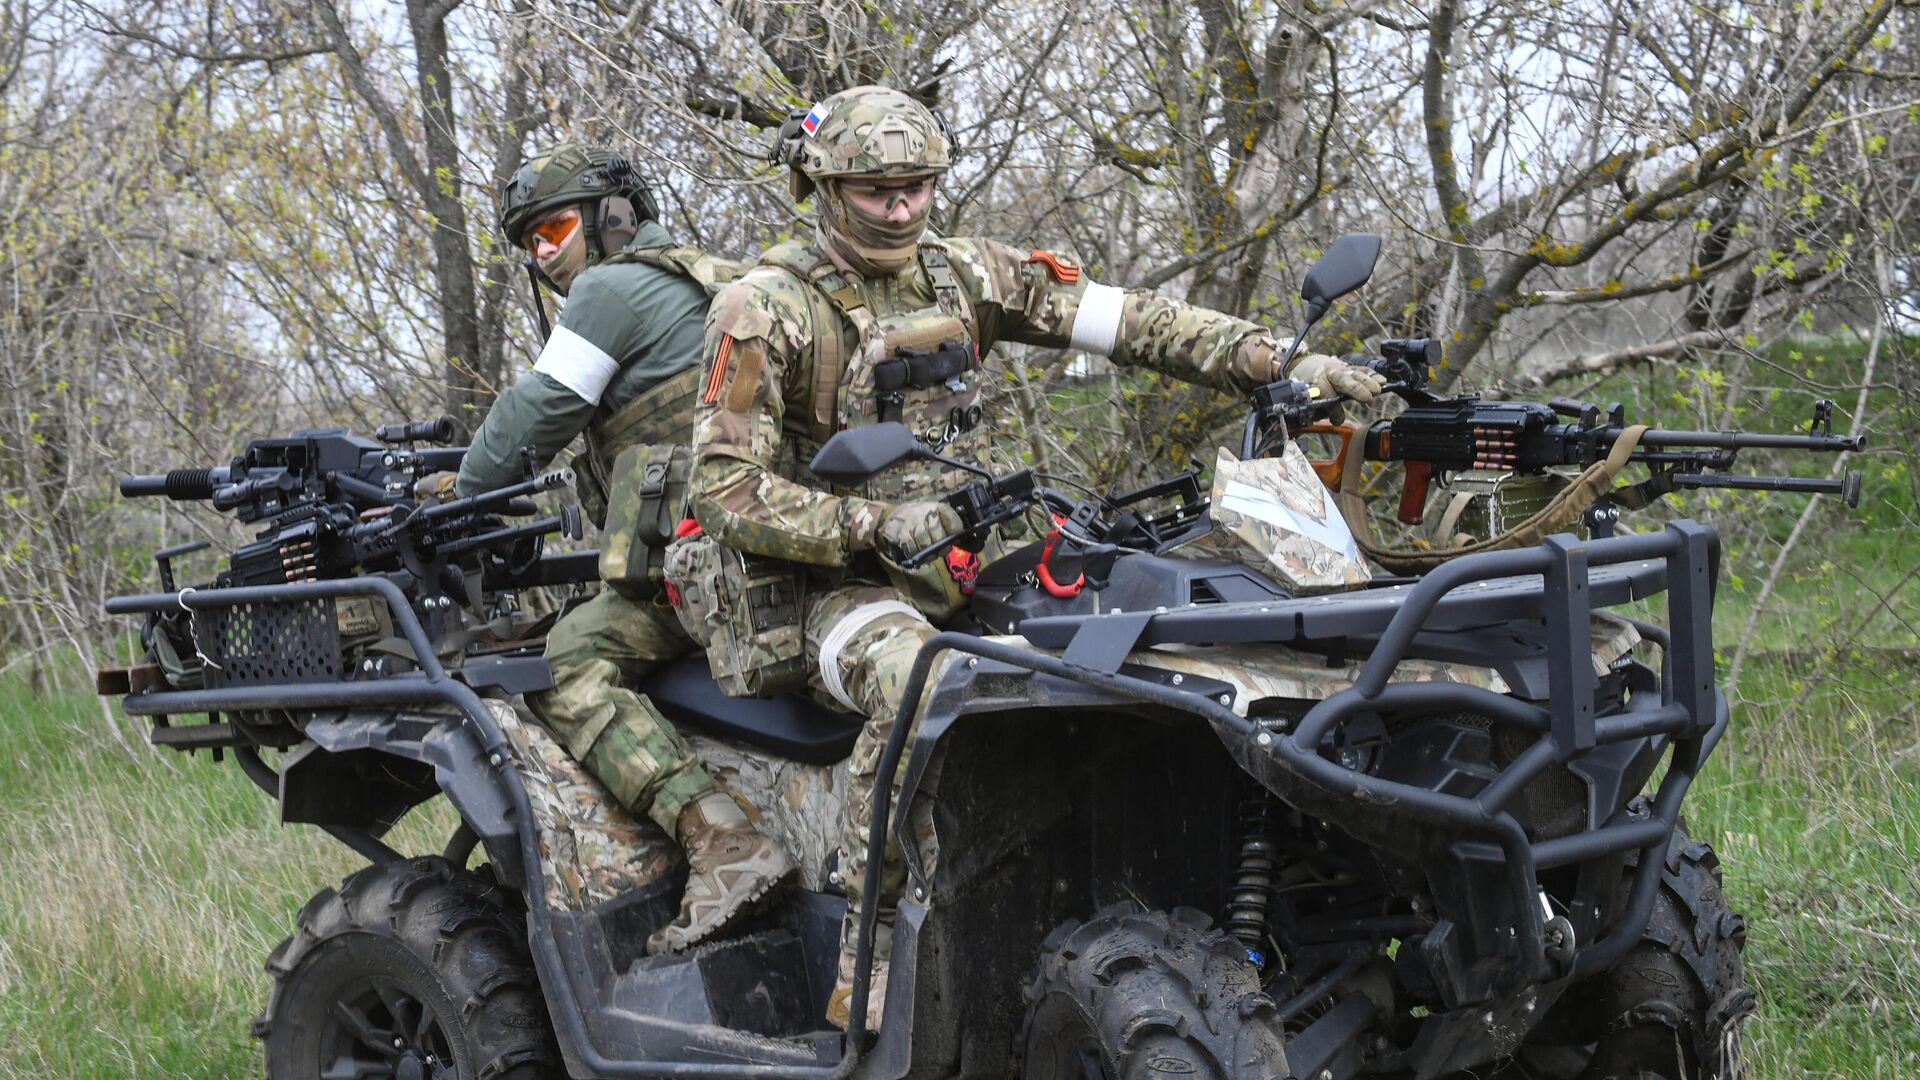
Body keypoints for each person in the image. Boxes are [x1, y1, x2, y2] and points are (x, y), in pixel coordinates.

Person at [680, 85, 1386, 1030]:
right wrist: (864, 528)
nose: (901, 209)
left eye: (918, 187)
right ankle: (870, 946)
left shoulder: (968, 275)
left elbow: (1134, 321)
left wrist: (1275, 363)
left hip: (959, 559)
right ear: (824, 184)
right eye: (877, 191)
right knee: (918, 680)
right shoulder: (763, 309)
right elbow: (720, 488)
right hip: (828, 589)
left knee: (1147, 642)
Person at [463, 141, 793, 955]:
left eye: (556, 227)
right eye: (529, 239)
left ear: (614, 218)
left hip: (710, 576)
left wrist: (453, 494)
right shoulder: (710, 278)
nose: (543, 252)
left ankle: (721, 841)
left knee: (565, 655)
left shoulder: (609, 291)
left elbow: (533, 418)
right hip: (779, 550)